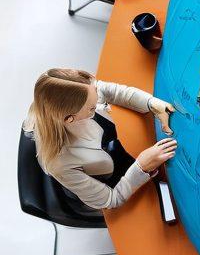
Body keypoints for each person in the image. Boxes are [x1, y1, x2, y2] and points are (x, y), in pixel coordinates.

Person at [24, 68, 176, 211]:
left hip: (114, 149)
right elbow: (111, 199)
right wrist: (141, 167)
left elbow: (112, 91)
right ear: (70, 119)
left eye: (95, 90)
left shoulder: (76, 94)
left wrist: (151, 103)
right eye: (91, 108)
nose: (98, 100)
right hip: (109, 179)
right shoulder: (60, 164)